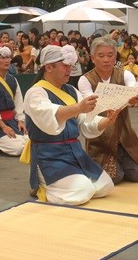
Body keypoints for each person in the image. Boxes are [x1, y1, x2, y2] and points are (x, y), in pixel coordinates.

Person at [23, 45, 116, 206]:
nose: (69, 70)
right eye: (64, 65)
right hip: (50, 154)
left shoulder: (71, 90)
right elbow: (50, 115)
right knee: (83, 191)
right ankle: (44, 184)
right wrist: (78, 108)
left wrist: (106, 121)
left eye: (70, 66)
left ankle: (69, 182)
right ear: (48, 67)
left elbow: (86, 121)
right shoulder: (36, 92)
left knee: (105, 186)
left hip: (75, 152)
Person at [78, 37, 138, 185]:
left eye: (110, 55)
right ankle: (100, 162)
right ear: (93, 58)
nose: (106, 59)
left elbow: (133, 88)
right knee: (116, 178)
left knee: (137, 175)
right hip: (100, 139)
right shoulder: (85, 80)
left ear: (115, 56)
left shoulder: (125, 74)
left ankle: (121, 158)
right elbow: (91, 102)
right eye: (101, 56)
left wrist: (133, 96)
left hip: (124, 135)